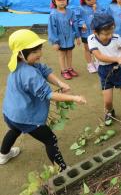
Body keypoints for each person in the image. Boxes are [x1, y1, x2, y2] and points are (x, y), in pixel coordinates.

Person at [0, 29, 86, 171]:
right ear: (21, 54)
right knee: (50, 140)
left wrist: (60, 83)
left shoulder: (19, 64)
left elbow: (45, 71)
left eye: (39, 49)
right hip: (27, 118)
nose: (39, 54)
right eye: (34, 52)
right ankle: (62, 170)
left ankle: (3, 155)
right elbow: (48, 95)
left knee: (14, 130)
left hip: (11, 113)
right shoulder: (29, 74)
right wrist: (74, 98)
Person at [48, 0, 81, 80]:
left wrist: (78, 36)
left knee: (69, 53)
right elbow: (52, 29)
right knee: (62, 54)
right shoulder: (53, 14)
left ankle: (70, 68)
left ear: (67, 0)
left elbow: (74, 23)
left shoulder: (70, 12)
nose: (62, 2)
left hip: (70, 38)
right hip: (60, 40)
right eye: (59, 0)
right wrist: (54, 42)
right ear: (54, 1)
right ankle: (64, 70)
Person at [76, 0, 104, 74]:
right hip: (86, 33)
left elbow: (102, 17)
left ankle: (98, 62)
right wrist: (81, 23)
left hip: (97, 32)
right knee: (87, 49)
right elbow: (77, 18)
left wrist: (96, 10)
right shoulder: (80, 8)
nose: (92, 1)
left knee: (97, 47)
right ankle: (90, 64)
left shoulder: (98, 6)